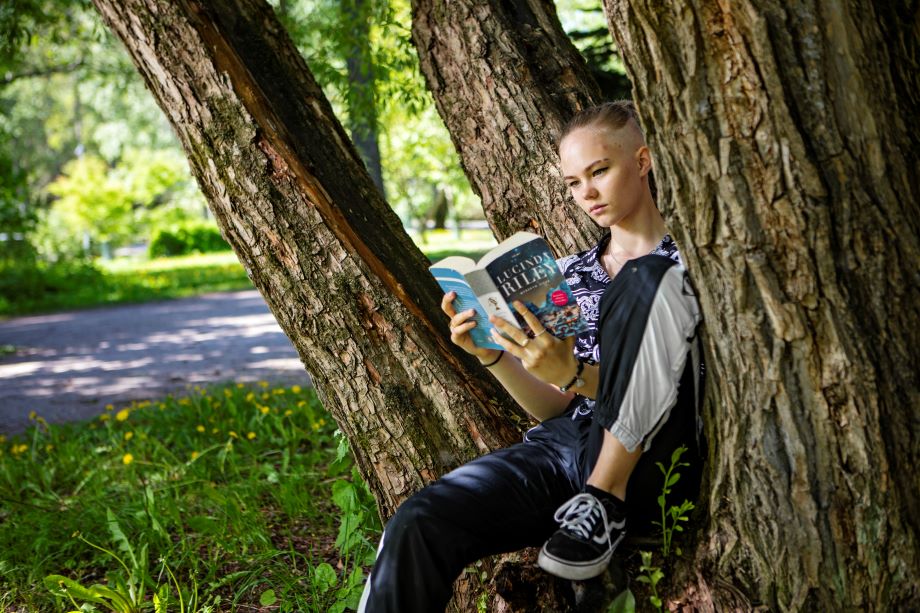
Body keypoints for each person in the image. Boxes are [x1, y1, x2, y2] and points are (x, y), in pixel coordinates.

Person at [358, 101, 704, 612]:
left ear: (644, 160)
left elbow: (674, 391)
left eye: (600, 171)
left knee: (643, 277)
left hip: (653, 452)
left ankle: (603, 503)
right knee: (419, 520)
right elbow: (557, 410)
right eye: (572, 182)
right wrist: (493, 357)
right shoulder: (565, 275)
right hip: (568, 447)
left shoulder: (690, 264)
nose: (586, 193)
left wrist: (577, 373)